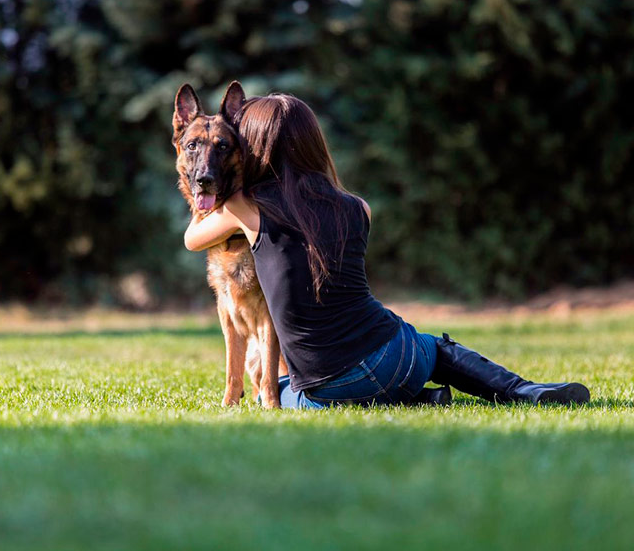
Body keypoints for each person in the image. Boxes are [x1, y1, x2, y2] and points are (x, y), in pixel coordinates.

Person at [184, 93, 590, 409]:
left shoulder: (246, 209)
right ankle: (523, 390)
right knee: (437, 348)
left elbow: (192, 238)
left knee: (272, 394)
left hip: (327, 384)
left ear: (254, 150)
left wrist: (213, 187)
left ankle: (413, 399)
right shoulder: (358, 206)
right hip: (398, 355)